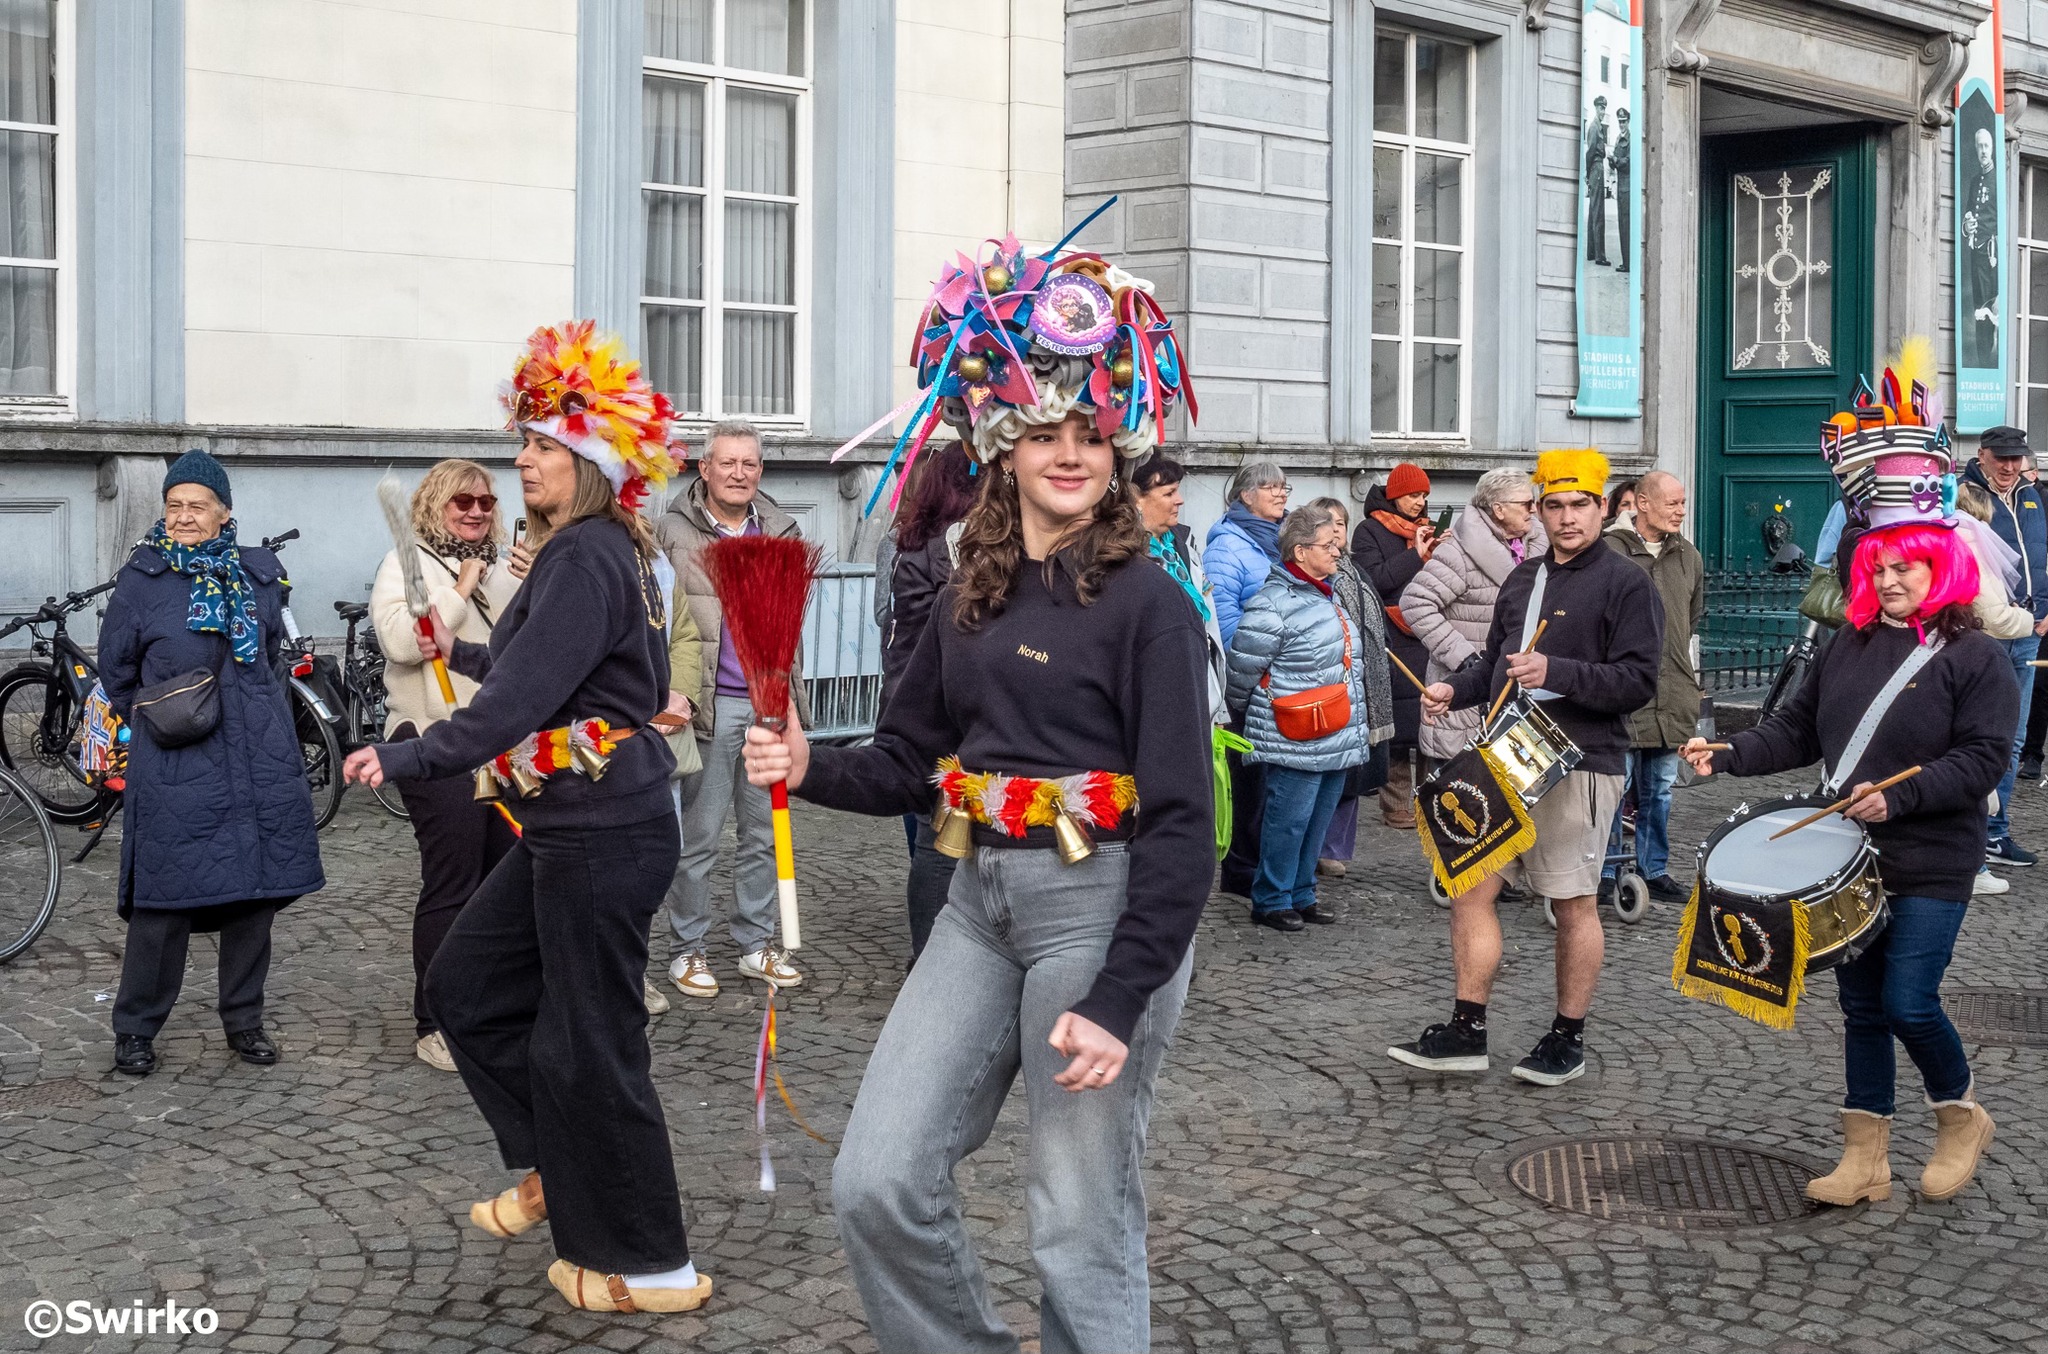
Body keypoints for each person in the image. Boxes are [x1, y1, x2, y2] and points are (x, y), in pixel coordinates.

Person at [742, 240, 1209, 1353]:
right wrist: (809, 768)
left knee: (1075, 1218)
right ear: (999, 445)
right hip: (974, 901)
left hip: (1099, 913)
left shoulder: (1151, 606)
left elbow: (1188, 826)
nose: (1069, 454)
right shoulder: (968, 591)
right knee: (875, 1178)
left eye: (1090, 436)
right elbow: (907, 757)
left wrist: (1118, 996)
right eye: (1043, 433)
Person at [342, 321, 707, 1314]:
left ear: (586, 460)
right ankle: (551, 1165)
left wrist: (409, 750)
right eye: (527, 440)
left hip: (607, 831)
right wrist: (447, 652)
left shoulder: (587, 554)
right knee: (465, 986)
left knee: (593, 1042)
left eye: (542, 445)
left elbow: (511, 709)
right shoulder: (572, 556)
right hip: (563, 824)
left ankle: (650, 1261)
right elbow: (513, 673)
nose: (523, 458)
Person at [1682, 373, 2010, 1208]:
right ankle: (1865, 1160)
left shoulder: (1974, 658)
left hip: (1934, 854)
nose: (1894, 578)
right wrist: (1730, 752)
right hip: (1849, 853)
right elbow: (1796, 731)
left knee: (1908, 998)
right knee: (1862, 1009)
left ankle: (1959, 1111)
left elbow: (1984, 761)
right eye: (1882, 565)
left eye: (1910, 565)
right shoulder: (1846, 646)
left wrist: (1898, 798)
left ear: (1940, 566)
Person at [1393, 449, 1662, 1087]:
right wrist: (1454, 692)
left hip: (1581, 759)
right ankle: (1467, 1029)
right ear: (1539, 511)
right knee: (1470, 887)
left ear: (1602, 507)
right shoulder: (1522, 578)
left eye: (1580, 506)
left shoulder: (1628, 584)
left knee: (1571, 904)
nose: (1567, 518)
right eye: (1555, 506)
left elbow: (1639, 682)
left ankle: (1566, 1038)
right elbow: (1494, 664)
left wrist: (1559, 673)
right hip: (1508, 755)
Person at [99, 450, 326, 1078]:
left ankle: (244, 1019)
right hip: (176, 761)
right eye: (174, 505)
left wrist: (263, 721)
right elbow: (117, 670)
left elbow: (275, 657)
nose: (184, 516)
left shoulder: (256, 575)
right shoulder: (142, 581)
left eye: (197, 505)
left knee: (254, 895)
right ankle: (136, 1027)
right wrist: (162, 716)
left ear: (224, 511)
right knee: (163, 902)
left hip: (257, 757)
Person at [370, 460, 525, 1072]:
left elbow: (522, 651)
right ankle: (433, 1022)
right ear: (436, 503)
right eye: (463, 501)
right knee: (453, 880)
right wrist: (458, 592)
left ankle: (484, 1005)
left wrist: (528, 584)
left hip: (498, 744)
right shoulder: (404, 565)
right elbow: (404, 642)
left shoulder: (504, 566)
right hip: (432, 740)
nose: (477, 511)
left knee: (500, 882)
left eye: (486, 502)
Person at [655, 420, 812, 999]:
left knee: (765, 834)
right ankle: (687, 949)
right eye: (727, 463)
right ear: (705, 469)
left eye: (749, 464)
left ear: (760, 472)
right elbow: (661, 620)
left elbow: (791, 627)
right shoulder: (672, 531)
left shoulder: (781, 528)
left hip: (768, 702)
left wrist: (792, 705)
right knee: (699, 835)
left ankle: (755, 944)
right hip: (709, 708)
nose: (739, 473)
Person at [1226, 503, 1373, 929]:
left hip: (1335, 728)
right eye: (1329, 545)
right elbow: (1243, 670)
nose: (1337, 552)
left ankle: (1302, 892)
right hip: (1294, 730)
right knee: (1287, 821)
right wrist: (1255, 711)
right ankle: (1271, 899)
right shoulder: (1272, 603)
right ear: (1300, 551)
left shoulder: (1329, 592)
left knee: (1316, 820)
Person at [883, 440, 978, 959]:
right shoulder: (944, 550)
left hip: (923, 699)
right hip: (936, 706)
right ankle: (933, 956)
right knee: (936, 837)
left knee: (934, 832)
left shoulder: (921, 544)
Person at [1599, 470, 1703, 904]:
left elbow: (1692, 617)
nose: (1681, 510)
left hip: (1673, 691)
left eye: (1682, 503)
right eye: (1673, 503)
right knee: (1612, 788)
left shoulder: (1688, 556)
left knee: (1659, 789)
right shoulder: (1608, 552)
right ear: (1642, 503)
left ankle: (1653, 867)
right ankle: (1605, 870)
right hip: (1623, 692)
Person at [1401, 467, 1541, 769]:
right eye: (1526, 504)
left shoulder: (1542, 546)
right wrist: (1466, 659)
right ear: (1499, 509)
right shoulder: (1459, 552)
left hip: (1522, 689)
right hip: (1465, 691)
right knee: (1461, 801)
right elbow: (1415, 603)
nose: (1534, 510)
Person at [1959, 425, 2046, 869]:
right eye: (2002, 458)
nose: (2010, 466)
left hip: (2031, 631)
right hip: (1989, 632)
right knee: (1983, 739)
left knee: (2013, 741)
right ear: (1983, 454)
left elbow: (2041, 556)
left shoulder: (2032, 497)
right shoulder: (1967, 496)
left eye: (2017, 458)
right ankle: (1971, 838)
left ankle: (1996, 833)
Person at [1206, 458, 1289, 895]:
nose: (1280, 494)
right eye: (1270, 487)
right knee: (1250, 776)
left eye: (1283, 487)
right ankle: (1241, 870)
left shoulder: (1286, 537)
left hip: (1286, 676)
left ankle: (1268, 865)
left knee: (1276, 776)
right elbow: (1225, 617)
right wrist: (1270, 649)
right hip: (1249, 676)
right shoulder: (1227, 545)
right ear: (1245, 495)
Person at [1302, 496, 1393, 877]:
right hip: (1333, 683)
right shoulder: (1316, 578)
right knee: (1330, 769)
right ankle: (1317, 849)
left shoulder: (1356, 570)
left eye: (1341, 522)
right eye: (1328, 523)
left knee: (1355, 772)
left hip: (1366, 685)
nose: (1337, 529)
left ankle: (1336, 847)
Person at [1352, 462, 1438, 827]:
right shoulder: (1368, 530)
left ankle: (1428, 801)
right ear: (1393, 495)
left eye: (1423, 496)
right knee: (1397, 727)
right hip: (1391, 634)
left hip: (1427, 633)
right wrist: (1415, 556)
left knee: (1429, 724)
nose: (1419, 502)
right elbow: (1376, 581)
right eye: (1412, 495)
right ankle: (1396, 804)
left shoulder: (1427, 530)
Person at [1136, 452, 1230, 724]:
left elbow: (1208, 623)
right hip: (1159, 696)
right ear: (1136, 498)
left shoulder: (1184, 545)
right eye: (1169, 493)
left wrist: (1217, 702)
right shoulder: (1125, 554)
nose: (1180, 500)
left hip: (1198, 683)